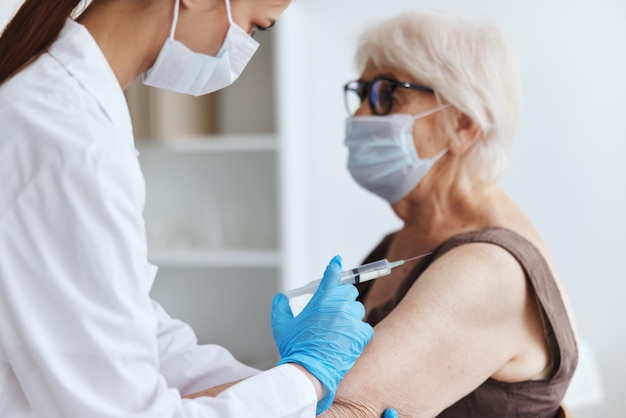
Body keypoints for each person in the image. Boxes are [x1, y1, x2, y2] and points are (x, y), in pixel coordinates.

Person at [0, 1, 392, 417]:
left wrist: (292, 390)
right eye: (255, 28)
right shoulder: (68, 139)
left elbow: (136, 333)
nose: (241, 49)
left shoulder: (68, 109)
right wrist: (306, 376)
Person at [321, 9, 579, 418]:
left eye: (387, 94)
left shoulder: (489, 268)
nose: (358, 117)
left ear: (462, 124)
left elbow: (344, 407)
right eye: (361, 92)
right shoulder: (405, 238)